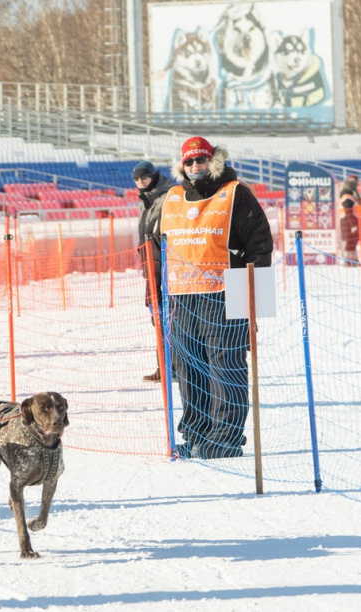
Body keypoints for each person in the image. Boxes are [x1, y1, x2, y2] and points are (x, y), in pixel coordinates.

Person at [160, 137, 273, 460]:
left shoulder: (236, 193)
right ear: (182, 166)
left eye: (201, 160)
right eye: (190, 162)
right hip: (183, 296)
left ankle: (224, 439)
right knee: (189, 367)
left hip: (227, 290)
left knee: (225, 367)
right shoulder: (172, 197)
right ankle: (196, 435)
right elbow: (159, 246)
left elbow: (260, 245)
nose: (196, 166)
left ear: (214, 160)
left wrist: (254, 301)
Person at [133, 160, 173, 383]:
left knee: (170, 317)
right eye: (137, 179)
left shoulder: (166, 196)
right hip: (151, 265)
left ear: (153, 176)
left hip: (164, 264)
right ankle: (163, 366)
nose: (141, 182)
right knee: (156, 317)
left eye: (144, 178)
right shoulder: (144, 199)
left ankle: (174, 367)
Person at [339, 198, 361, 266]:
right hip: (354, 237)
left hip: (346, 237)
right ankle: (354, 261)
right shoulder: (354, 217)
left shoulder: (344, 217)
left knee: (348, 249)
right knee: (352, 248)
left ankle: (349, 261)